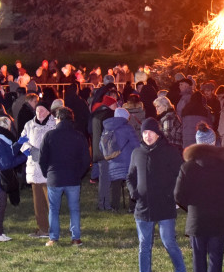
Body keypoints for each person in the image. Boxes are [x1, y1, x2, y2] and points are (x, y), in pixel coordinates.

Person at [175, 122, 224, 272]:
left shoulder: (188, 167)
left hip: (197, 219)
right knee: (215, 258)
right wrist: (221, 205)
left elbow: (178, 195)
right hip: (218, 217)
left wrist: (192, 208)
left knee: (199, 258)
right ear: (213, 143)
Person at [126, 117, 189, 272]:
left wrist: (172, 195)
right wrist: (134, 193)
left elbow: (180, 175)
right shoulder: (137, 153)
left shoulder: (169, 152)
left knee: (169, 242)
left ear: (158, 133)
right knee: (144, 245)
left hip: (164, 206)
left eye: (151, 132)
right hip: (143, 208)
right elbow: (130, 176)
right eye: (145, 132)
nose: (148, 136)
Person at [39, 107, 91, 246]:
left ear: (59, 118)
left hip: (54, 177)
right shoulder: (79, 136)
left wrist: (47, 173)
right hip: (73, 178)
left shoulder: (50, 135)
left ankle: (53, 238)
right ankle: (75, 238)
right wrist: (79, 174)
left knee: (54, 209)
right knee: (74, 209)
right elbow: (86, 160)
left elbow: (42, 158)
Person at [0, 116, 28, 242]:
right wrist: (24, 156)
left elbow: (8, 153)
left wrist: (18, 144)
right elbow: (7, 164)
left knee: (1, 205)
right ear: (5, 127)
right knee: (0, 205)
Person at [20, 105, 57, 237]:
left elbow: (57, 144)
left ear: (48, 112)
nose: (39, 113)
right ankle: (43, 229)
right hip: (34, 168)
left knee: (51, 201)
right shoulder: (29, 125)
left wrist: (43, 153)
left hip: (48, 169)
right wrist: (29, 150)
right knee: (38, 202)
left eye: (42, 110)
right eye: (37, 110)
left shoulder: (54, 125)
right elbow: (22, 141)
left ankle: (54, 229)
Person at [101, 107, 141, 212]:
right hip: (127, 160)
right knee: (131, 182)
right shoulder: (128, 128)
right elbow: (136, 144)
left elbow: (102, 146)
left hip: (112, 160)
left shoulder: (107, 128)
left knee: (115, 184)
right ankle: (132, 207)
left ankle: (115, 206)